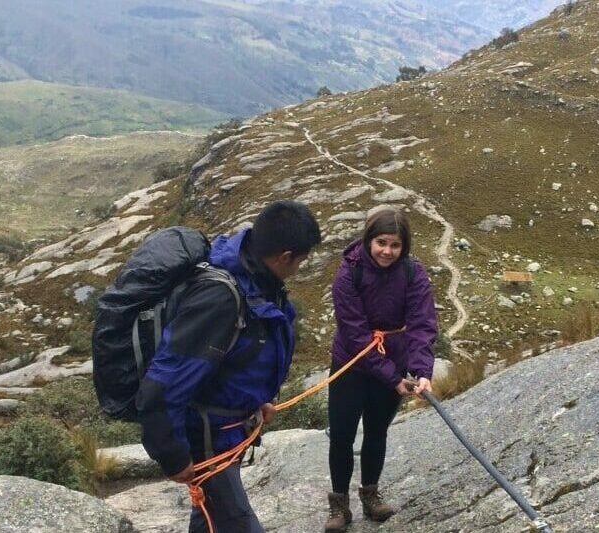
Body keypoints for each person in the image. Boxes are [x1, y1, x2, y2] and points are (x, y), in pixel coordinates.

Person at [136, 200, 321, 533]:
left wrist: (255, 400)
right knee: (236, 523)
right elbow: (162, 383)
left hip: (228, 430)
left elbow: (238, 357)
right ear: (284, 257)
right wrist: (173, 454)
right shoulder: (221, 297)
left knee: (209, 520)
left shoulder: (258, 280)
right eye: (301, 261)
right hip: (207, 439)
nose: (299, 269)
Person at [324, 208, 438, 533]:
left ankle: (370, 497)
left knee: (377, 432)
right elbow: (355, 333)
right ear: (368, 240)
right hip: (351, 364)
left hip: (394, 363)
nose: (387, 251)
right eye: (381, 242)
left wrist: (420, 371)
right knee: (342, 436)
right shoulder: (349, 273)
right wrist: (391, 375)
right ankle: (339, 505)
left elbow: (421, 323)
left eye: (395, 245)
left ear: (405, 247)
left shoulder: (413, 273)